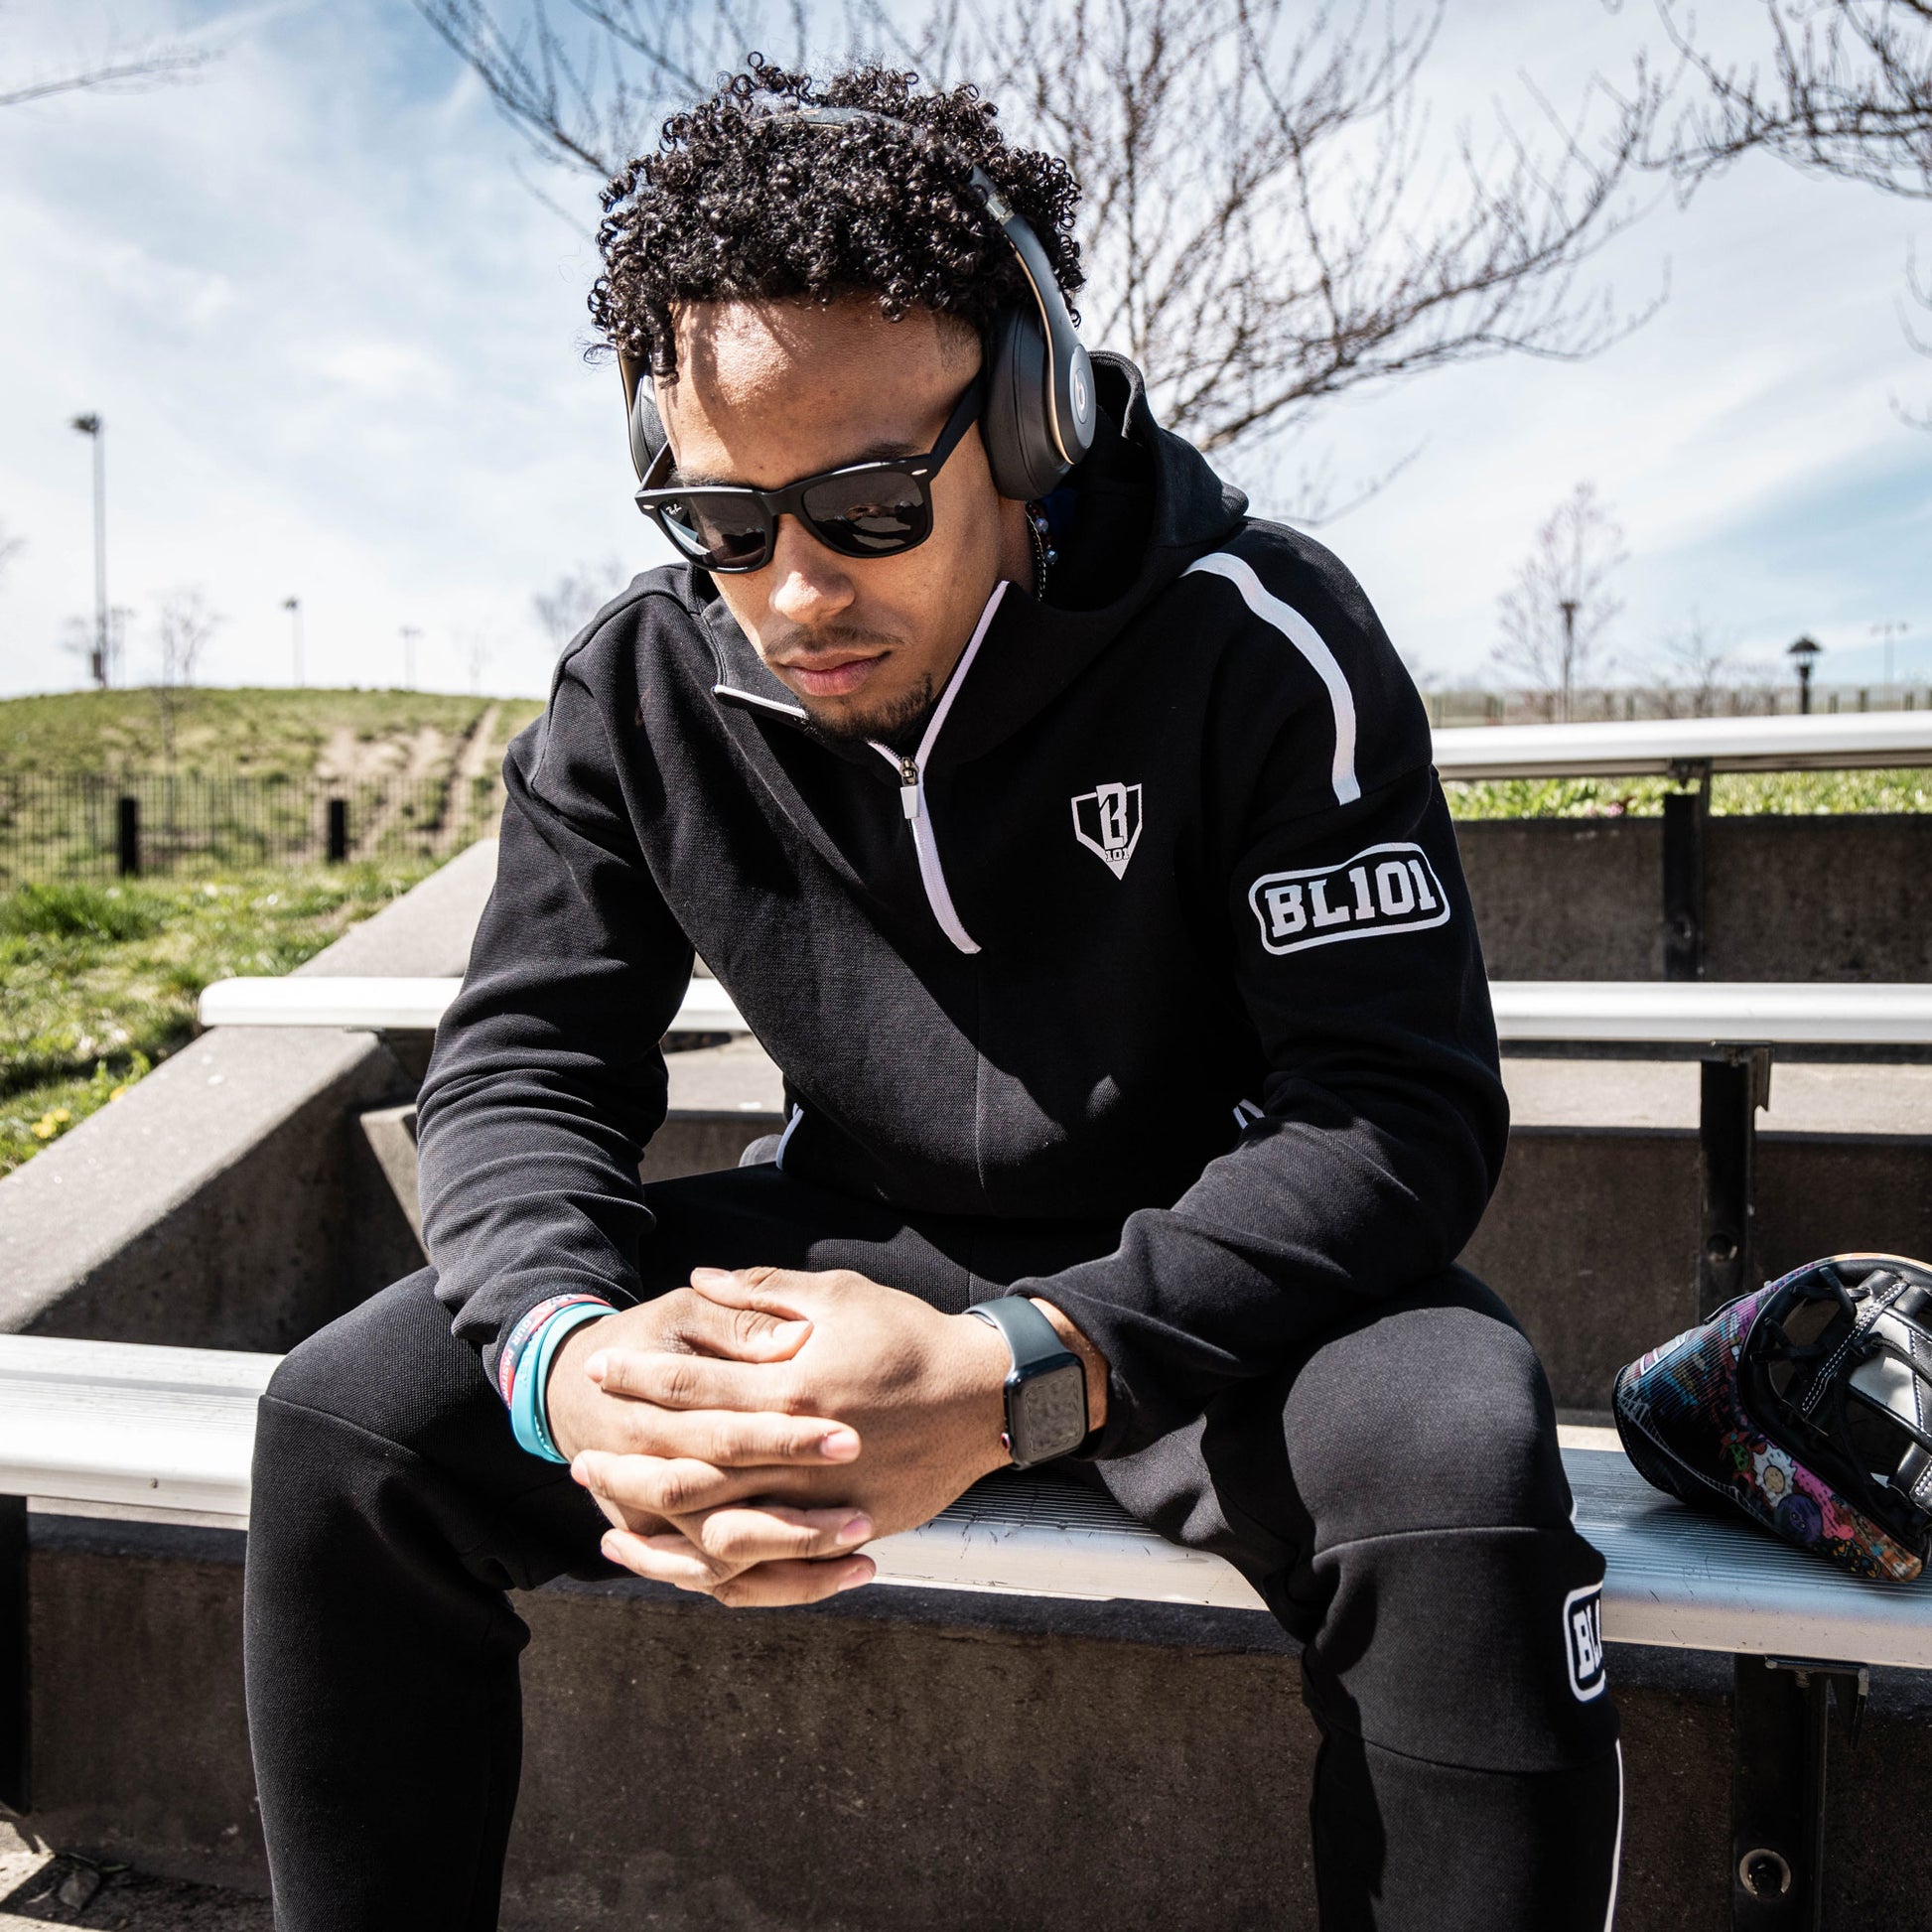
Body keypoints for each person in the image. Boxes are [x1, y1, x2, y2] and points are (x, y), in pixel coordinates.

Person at [243, 58, 1622, 1930]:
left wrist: (1017, 1373)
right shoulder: (637, 686)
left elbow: (1392, 1110)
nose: (795, 590)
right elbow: (524, 1067)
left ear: (1036, 419)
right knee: (352, 1422)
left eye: (869, 502)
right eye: (725, 521)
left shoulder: (1255, 635)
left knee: (1453, 1460)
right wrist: (569, 1354)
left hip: (1228, 1263)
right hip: (856, 1231)